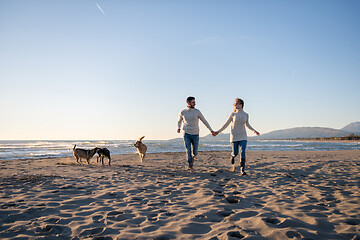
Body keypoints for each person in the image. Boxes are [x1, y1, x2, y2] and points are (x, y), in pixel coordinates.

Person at [214, 98, 260, 175]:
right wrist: (218, 131)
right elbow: (226, 124)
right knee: (235, 153)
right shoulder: (233, 114)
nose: (234, 105)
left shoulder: (246, 115)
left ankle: (242, 169)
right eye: (234, 104)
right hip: (234, 136)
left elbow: (247, 124)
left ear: (241, 104)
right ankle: (232, 156)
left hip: (243, 136)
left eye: (236, 103)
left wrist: (254, 131)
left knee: (242, 151)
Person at [177, 96, 216, 173]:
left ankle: (193, 157)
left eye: (195, 102)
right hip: (186, 133)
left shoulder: (197, 111)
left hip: (195, 134)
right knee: (188, 150)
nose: (195, 103)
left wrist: (211, 130)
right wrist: (178, 128)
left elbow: (204, 121)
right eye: (193, 102)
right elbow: (179, 121)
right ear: (188, 103)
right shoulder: (183, 112)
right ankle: (190, 166)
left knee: (195, 152)